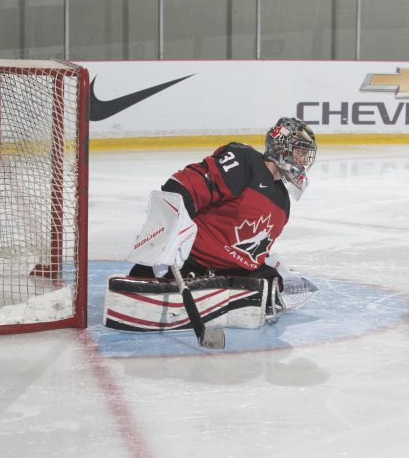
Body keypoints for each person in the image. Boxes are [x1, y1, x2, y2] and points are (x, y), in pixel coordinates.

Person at [105, 117, 318, 331]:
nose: (303, 161)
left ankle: (218, 289)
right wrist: (170, 231)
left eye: (305, 155)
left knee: (271, 282)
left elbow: (252, 248)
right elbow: (182, 185)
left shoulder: (283, 202)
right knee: (140, 282)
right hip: (190, 261)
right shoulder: (245, 163)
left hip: (231, 273)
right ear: (281, 146)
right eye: (300, 152)